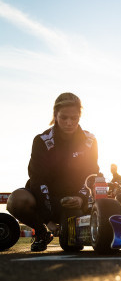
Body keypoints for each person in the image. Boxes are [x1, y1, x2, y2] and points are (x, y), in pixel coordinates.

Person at [7, 92, 99, 251]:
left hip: (74, 201)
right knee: (16, 200)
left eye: (74, 118)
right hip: (46, 199)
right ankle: (42, 234)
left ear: (79, 116)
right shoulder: (41, 141)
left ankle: (73, 226)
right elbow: (37, 180)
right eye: (64, 117)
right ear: (55, 115)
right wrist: (47, 221)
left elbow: (91, 174)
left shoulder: (90, 141)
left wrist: (81, 198)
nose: (69, 122)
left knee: (72, 246)